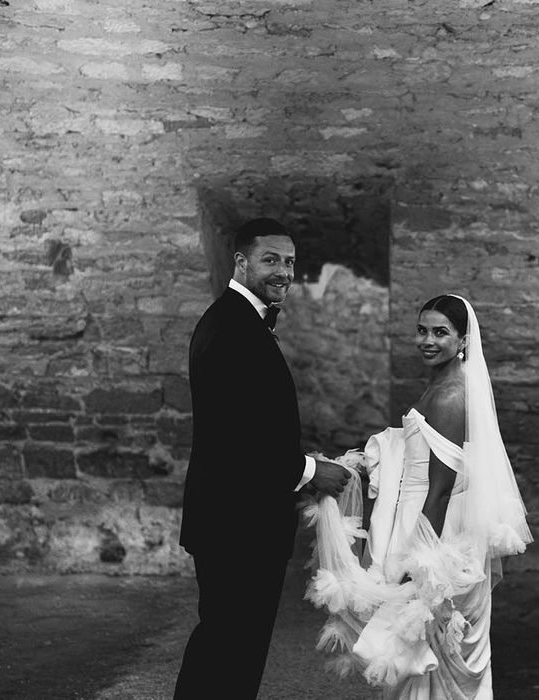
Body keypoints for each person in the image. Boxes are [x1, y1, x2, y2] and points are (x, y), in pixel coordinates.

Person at [303, 294, 533, 699]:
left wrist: (421, 565)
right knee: (418, 650)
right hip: (422, 512)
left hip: (432, 526)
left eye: (440, 332)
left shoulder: (448, 397)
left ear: (463, 341)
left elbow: (440, 490)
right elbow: (419, 453)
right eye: (422, 330)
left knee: (428, 639)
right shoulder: (443, 384)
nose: (427, 340)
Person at [173, 217, 351, 699]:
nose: (284, 272)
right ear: (241, 262)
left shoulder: (233, 320)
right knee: (230, 651)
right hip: (238, 524)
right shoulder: (233, 328)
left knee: (227, 648)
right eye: (271, 259)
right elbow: (240, 440)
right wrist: (314, 471)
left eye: (290, 262)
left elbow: (250, 424)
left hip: (232, 517)